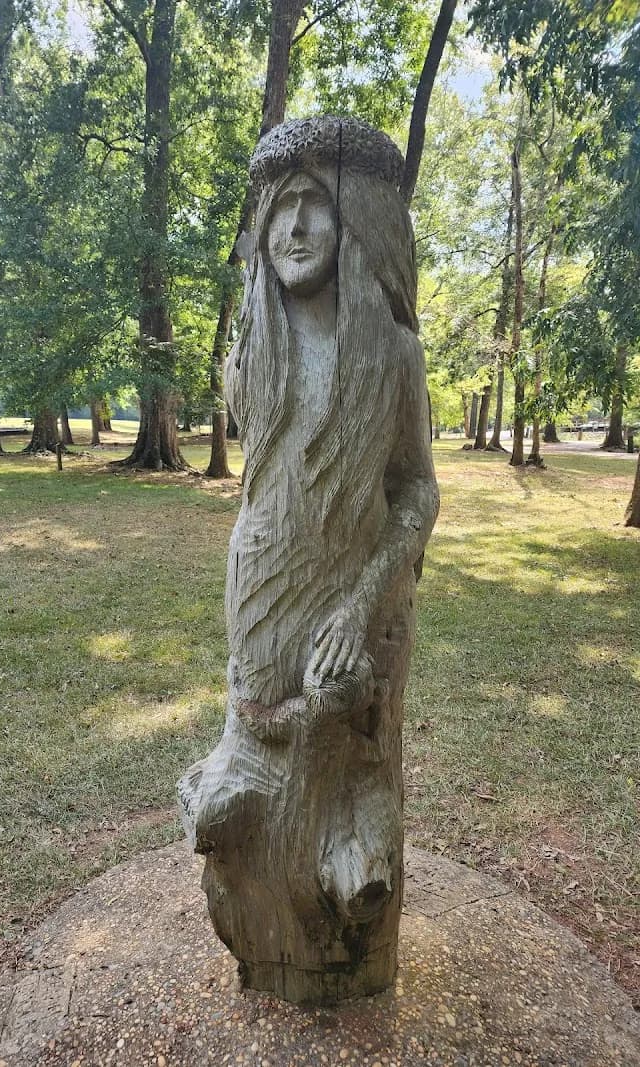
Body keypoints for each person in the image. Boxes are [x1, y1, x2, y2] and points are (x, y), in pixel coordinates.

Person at [178, 116, 439, 1002]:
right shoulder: (253, 352)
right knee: (234, 809)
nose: (292, 227)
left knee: (352, 819)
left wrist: (362, 604)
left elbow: (418, 494)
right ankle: (263, 940)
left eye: (314, 206)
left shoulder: (396, 358)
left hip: (354, 617)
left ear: (353, 219)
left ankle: (343, 941)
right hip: (260, 601)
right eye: (279, 208)